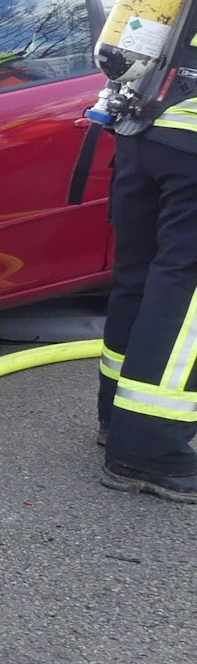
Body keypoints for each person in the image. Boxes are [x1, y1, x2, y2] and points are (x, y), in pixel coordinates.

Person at [98, 65, 197, 504]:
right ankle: (149, 449)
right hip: (190, 142)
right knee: (183, 291)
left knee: (137, 281)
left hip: (140, 127)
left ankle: (117, 419)